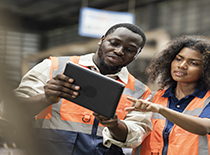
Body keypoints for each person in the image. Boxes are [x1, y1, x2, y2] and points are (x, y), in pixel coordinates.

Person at [0, 23, 152, 155]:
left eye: (130, 49)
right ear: (102, 40)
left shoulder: (140, 91)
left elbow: (136, 137)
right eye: (114, 43)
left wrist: (114, 124)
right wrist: (45, 98)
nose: (119, 51)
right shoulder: (53, 67)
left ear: (137, 55)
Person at [126, 35, 210, 155]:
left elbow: (204, 127)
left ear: (208, 70)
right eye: (178, 59)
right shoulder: (152, 98)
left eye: (193, 63)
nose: (182, 65)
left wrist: (161, 110)